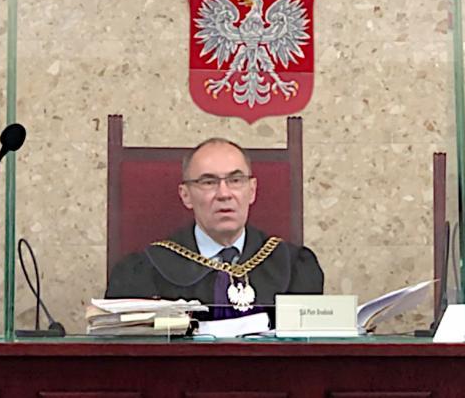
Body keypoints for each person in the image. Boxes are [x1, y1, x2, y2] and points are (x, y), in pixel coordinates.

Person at [105, 138, 324, 323]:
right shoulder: (144, 271)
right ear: (186, 195)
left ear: (252, 191)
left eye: (235, 180)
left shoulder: (293, 267)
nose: (224, 194)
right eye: (208, 182)